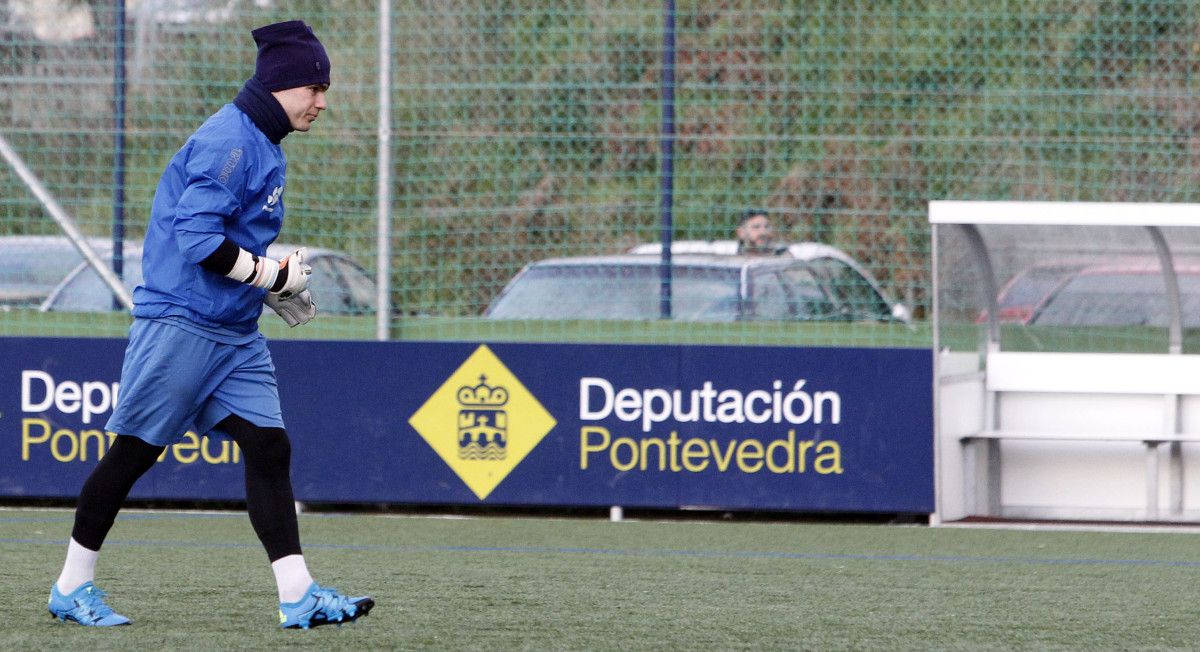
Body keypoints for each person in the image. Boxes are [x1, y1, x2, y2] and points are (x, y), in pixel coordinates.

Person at [47, 20, 373, 629]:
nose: (323, 102)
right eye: (315, 88)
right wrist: (268, 277)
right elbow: (197, 240)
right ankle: (70, 587)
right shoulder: (232, 141)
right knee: (133, 455)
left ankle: (297, 594)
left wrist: (263, 278)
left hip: (233, 334)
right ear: (280, 86)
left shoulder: (263, 141)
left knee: (269, 447)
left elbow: (228, 239)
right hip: (183, 323)